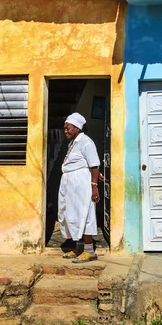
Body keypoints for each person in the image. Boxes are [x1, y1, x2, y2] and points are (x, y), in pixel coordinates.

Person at [58, 112, 101, 263]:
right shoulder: (73, 143)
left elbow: (94, 164)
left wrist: (94, 186)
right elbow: (83, 162)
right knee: (72, 214)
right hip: (70, 184)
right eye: (64, 128)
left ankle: (89, 251)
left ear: (76, 127)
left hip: (81, 184)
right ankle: (79, 247)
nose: (66, 131)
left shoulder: (86, 142)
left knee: (85, 213)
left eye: (68, 128)